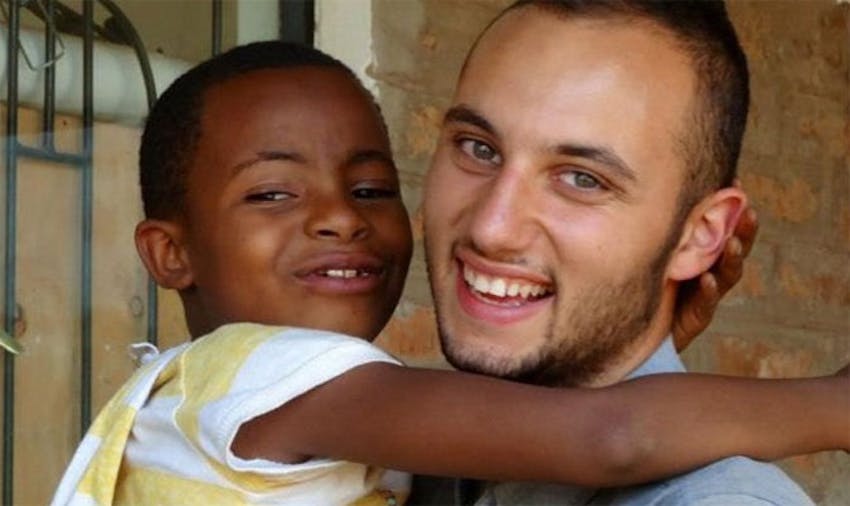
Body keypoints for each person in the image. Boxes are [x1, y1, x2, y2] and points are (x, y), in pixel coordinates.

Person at [50, 41, 847, 506]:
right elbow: (612, 438)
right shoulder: (274, 374)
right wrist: (833, 404)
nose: (340, 217)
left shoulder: (199, 393)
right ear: (169, 253)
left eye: (370, 189)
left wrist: (634, 343)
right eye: (271, 193)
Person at [411, 1, 843, 504]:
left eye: (581, 179)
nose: (492, 229)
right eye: (477, 148)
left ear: (699, 235)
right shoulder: (403, 453)